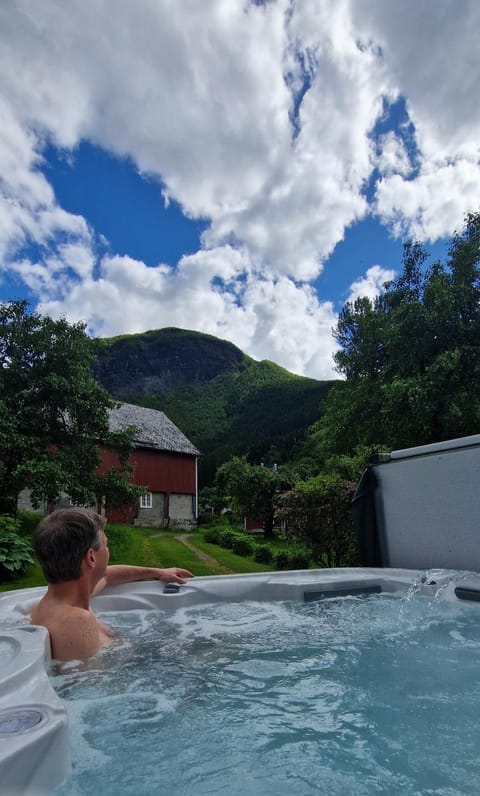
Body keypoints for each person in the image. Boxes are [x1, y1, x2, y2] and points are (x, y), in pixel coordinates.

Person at [30, 507, 193, 661]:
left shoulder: (66, 598)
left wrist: (157, 572)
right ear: (91, 557)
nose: (108, 551)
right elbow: (91, 686)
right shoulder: (77, 622)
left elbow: (107, 576)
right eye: (105, 545)